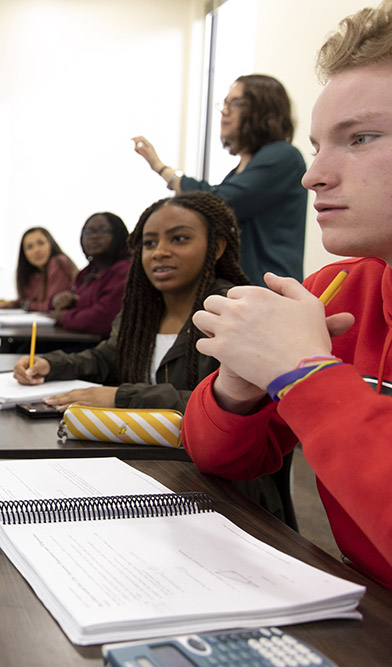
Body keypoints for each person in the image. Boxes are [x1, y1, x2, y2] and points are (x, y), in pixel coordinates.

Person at [181, 1, 392, 591]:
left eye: (361, 138)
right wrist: (239, 387)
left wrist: (302, 376)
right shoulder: (334, 290)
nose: (312, 175)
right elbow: (220, 456)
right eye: (319, 144)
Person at [14, 192, 247, 415]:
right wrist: (50, 365)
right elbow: (107, 358)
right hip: (136, 442)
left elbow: (227, 404)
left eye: (179, 239)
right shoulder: (142, 308)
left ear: (216, 247)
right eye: (149, 243)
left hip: (194, 454)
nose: (159, 252)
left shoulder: (235, 313)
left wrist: (123, 398)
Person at [132, 74, 307, 287]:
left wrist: (162, 169)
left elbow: (219, 202)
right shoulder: (237, 171)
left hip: (269, 291)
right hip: (238, 291)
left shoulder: (283, 156)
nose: (225, 110)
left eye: (236, 103)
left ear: (264, 110)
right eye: (224, 103)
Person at [48, 212, 131, 338]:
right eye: (89, 232)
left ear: (119, 235)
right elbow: (58, 305)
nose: (94, 237)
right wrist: (56, 301)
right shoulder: (87, 272)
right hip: (79, 338)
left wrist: (64, 317)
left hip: (104, 347)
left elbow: (101, 319)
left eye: (103, 231)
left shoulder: (124, 271)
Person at [0, 227, 77, 312]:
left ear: (50, 244)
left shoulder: (58, 262)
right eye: (30, 247)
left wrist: (25, 304)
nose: (36, 250)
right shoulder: (35, 273)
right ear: (24, 253)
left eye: (41, 243)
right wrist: (13, 303)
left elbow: (51, 306)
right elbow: (31, 300)